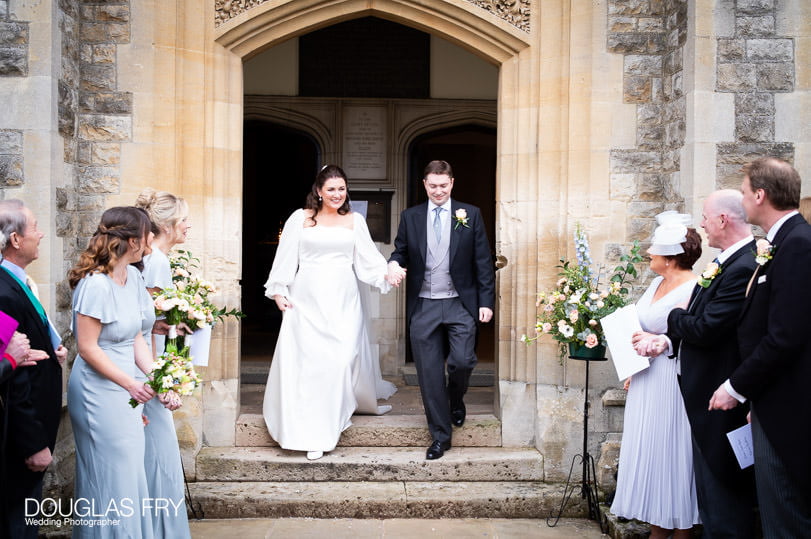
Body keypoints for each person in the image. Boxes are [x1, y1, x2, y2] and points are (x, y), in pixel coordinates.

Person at [639, 192, 758, 537]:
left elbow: (706, 327)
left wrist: (674, 317)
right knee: (710, 497)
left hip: (720, 394)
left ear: (722, 220)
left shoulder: (744, 265)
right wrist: (669, 337)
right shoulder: (723, 263)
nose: (702, 224)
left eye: (706, 217)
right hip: (702, 395)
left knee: (724, 502)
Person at [262, 165, 397, 461]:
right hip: (306, 299)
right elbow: (285, 258)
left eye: (341, 189)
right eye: (331, 189)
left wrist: (387, 273)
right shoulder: (302, 219)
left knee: (340, 360)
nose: (337, 194)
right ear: (319, 191)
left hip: (343, 299)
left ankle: (331, 421)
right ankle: (311, 432)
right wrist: (278, 292)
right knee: (309, 365)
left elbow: (368, 260)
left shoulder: (355, 221)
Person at [709, 157, 811, 536]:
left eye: (745, 191)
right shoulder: (781, 242)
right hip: (770, 402)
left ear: (761, 195)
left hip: (788, 407)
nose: (742, 198)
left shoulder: (798, 244)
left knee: (786, 516)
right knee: (774, 512)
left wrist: (736, 387)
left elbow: (785, 335)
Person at [387, 160, 495, 460]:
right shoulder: (411, 217)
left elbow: (482, 262)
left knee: (462, 361)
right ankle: (440, 436)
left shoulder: (469, 214)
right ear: (425, 184)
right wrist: (393, 264)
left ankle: (455, 399)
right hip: (424, 304)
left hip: (460, 302)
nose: (438, 190)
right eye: (432, 186)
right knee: (429, 375)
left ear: (452, 183)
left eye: (443, 186)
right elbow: (401, 250)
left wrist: (486, 302)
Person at [67, 207, 158, 538]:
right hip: (98, 388)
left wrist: (157, 377)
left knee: (130, 470)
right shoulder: (95, 285)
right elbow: (88, 348)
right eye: (148, 235)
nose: (151, 241)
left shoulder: (132, 276)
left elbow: (136, 336)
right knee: (111, 475)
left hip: (127, 384)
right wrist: (131, 385)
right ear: (133, 241)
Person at [610, 211, 701, 538]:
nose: (648, 252)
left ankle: (681, 530)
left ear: (671, 257)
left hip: (671, 379)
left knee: (671, 451)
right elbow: (640, 324)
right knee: (650, 451)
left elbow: (692, 335)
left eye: (654, 249)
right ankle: (657, 527)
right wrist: (631, 365)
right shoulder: (655, 283)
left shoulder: (694, 288)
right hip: (646, 377)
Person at [0, 200, 67, 539]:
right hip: (22, 436)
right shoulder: (4, 292)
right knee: (19, 522)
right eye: (35, 227)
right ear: (15, 239)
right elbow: (15, 379)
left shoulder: (20, 283)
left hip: (38, 424)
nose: (41, 234)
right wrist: (33, 444)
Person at [134, 189, 192, 538]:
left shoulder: (156, 258)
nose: (188, 226)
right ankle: (158, 529)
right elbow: (150, 326)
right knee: (158, 452)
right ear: (169, 225)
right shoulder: (156, 261)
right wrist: (166, 377)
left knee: (158, 450)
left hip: (150, 364)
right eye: (184, 220)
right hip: (149, 365)